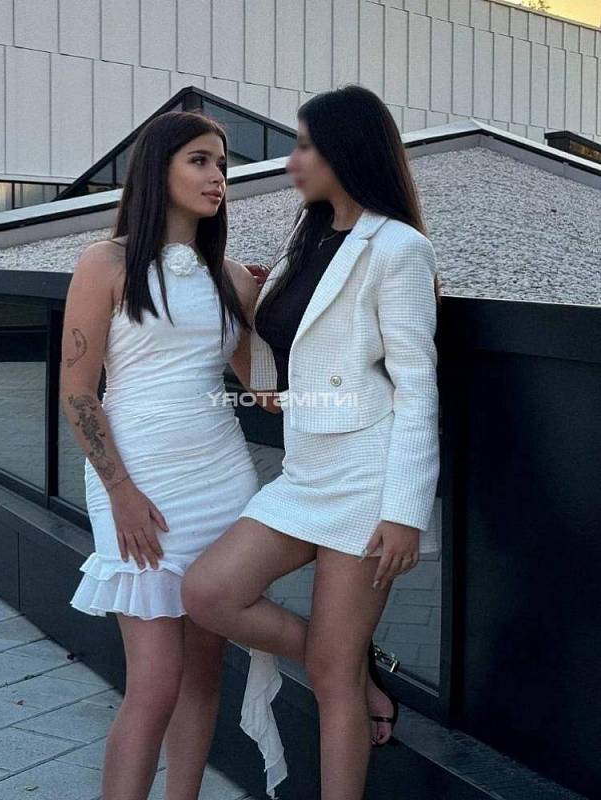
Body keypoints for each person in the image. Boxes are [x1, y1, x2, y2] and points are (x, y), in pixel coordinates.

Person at [181, 84, 441, 800]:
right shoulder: (307, 241)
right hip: (306, 469)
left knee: (329, 678)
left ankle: (343, 673)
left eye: (303, 145)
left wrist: (404, 511)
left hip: (367, 476)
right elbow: (282, 360)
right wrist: (248, 305)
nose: (292, 160)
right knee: (209, 591)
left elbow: (418, 386)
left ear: (344, 151)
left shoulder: (399, 248)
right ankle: (350, 667)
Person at [61, 109, 269, 800]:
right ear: (160, 169)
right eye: (200, 161)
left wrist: (287, 305)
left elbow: (267, 392)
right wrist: (120, 492)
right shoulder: (105, 263)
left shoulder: (234, 279)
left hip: (222, 480)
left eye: (223, 166)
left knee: (203, 676)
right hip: (136, 480)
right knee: (154, 683)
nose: (217, 178)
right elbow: (78, 393)